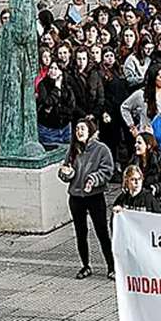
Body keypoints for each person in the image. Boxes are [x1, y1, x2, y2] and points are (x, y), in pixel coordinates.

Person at [58, 118, 116, 280]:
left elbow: (107, 170)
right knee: (80, 232)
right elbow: (65, 170)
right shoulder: (73, 150)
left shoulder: (101, 149)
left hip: (95, 196)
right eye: (77, 129)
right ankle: (85, 265)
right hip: (76, 196)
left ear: (90, 131)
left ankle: (111, 266)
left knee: (102, 232)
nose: (79, 132)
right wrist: (65, 173)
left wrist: (93, 179)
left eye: (82, 128)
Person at [130, 132, 161, 213]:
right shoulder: (134, 162)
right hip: (140, 200)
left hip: (158, 202)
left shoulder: (160, 164)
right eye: (136, 142)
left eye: (139, 143)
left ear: (148, 145)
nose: (135, 145)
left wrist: (156, 187)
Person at [36, 62, 74, 145]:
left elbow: (71, 106)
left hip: (65, 128)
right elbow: (47, 102)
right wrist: (57, 88)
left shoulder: (67, 85)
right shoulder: (43, 84)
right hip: (48, 129)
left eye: (56, 69)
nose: (53, 71)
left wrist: (56, 109)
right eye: (51, 68)